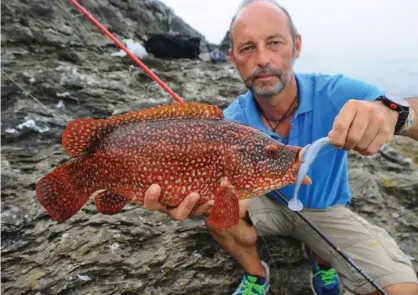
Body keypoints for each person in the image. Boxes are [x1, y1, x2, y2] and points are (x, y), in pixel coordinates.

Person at [139, 0, 418, 294]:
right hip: (266, 201)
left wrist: (393, 113)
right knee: (219, 213)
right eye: (247, 48)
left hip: (326, 210)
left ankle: (321, 259)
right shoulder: (230, 121)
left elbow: (409, 111)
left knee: (402, 290)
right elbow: (232, 193)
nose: (262, 59)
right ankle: (257, 275)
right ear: (232, 57)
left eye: (274, 43)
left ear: (296, 46)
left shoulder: (336, 92)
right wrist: (214, 199)